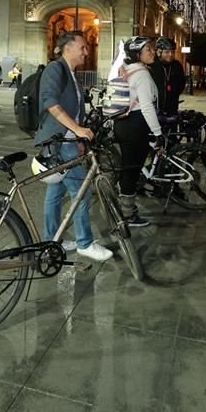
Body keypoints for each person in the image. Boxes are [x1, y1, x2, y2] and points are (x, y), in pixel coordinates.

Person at [33, 31, 112, 261]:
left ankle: (51, 240)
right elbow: (50, 102)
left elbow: (76, 110)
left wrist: (78, 138)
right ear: (68, 47)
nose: (87, 52)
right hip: (58, 139)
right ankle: (85, 243)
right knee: (81, 191)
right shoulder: (55, 69)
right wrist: (76, 130)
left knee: (55, 192)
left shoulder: (72, 73)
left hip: (66, 140)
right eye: (83, 47)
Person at [113, 36, 164, 228]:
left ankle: (124, 207)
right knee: (132, 171)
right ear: (137, 54)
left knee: (129, 168)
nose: (152, 52)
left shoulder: (126, 69)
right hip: (136, 124)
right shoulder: (141, 74)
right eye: (148, 50)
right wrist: (158, 133)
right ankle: (127, 215)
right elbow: (147, 107)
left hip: (123, 124)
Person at [149, 37, 186, 117]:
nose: (170, 55)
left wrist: (173, 94)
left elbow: (182, 83)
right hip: (155, 111)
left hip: (172, 110)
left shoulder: (177, 66)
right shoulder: (152, 65)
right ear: (159, 52)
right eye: (167, 52)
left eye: (172, 52)